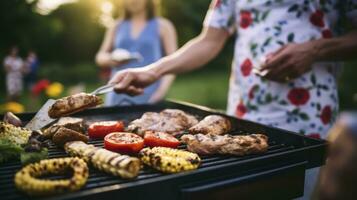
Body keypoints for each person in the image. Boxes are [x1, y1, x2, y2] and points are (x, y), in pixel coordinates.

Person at [108, 0, 357, 199]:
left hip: (309, 119)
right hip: (240, 117)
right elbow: (209, 40)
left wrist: (315, 50)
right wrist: (154, 70)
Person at [96, 0, 177, 106]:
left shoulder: (163, 25)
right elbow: (100, 57)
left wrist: (160, 92)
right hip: (117, 92)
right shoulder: (116, 26)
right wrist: (111, 60)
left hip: (150, 92)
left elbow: (173, 61)